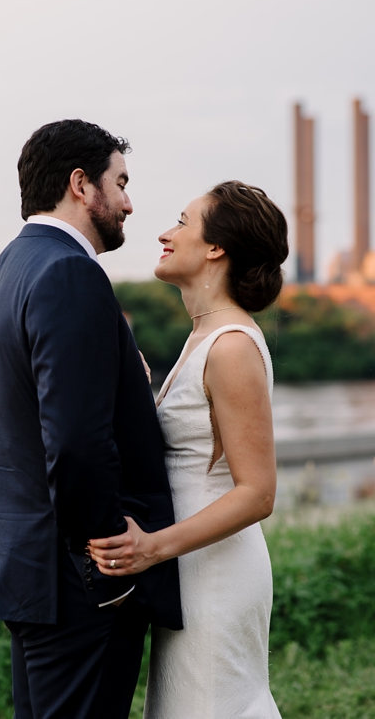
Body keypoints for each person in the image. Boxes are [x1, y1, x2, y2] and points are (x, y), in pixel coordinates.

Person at [0, 119, 183, 719]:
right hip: (79, 585)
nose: (129, 203)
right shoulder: (70, 272)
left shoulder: (6, 271)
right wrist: (107, 568)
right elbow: (77, 443)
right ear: (81, 185)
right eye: (121, 183)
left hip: (27, 568)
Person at [88, 181, 287, 718]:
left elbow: (258, 492)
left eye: (182, 221)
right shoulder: (204, 336)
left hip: (214, 571)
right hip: (189, 564)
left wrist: (153, 548)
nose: (163, 233)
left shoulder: (231, 346)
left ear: (216, 248)